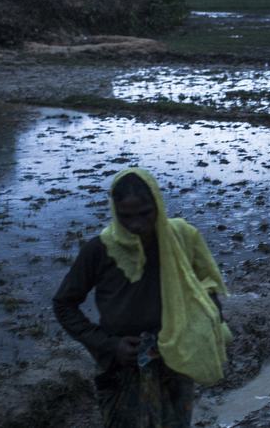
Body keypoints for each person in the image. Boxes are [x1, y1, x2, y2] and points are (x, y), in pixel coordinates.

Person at [53, 169, 231, 427]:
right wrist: (110, 345)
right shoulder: (100, 250)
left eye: (145, 213)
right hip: (122, 364)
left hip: (176, 358)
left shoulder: (181, 238)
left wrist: (200, 326)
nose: (136, 224)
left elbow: (207, 285)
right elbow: (64, 304)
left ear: (157, 204)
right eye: (126, 217)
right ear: (115, 212)